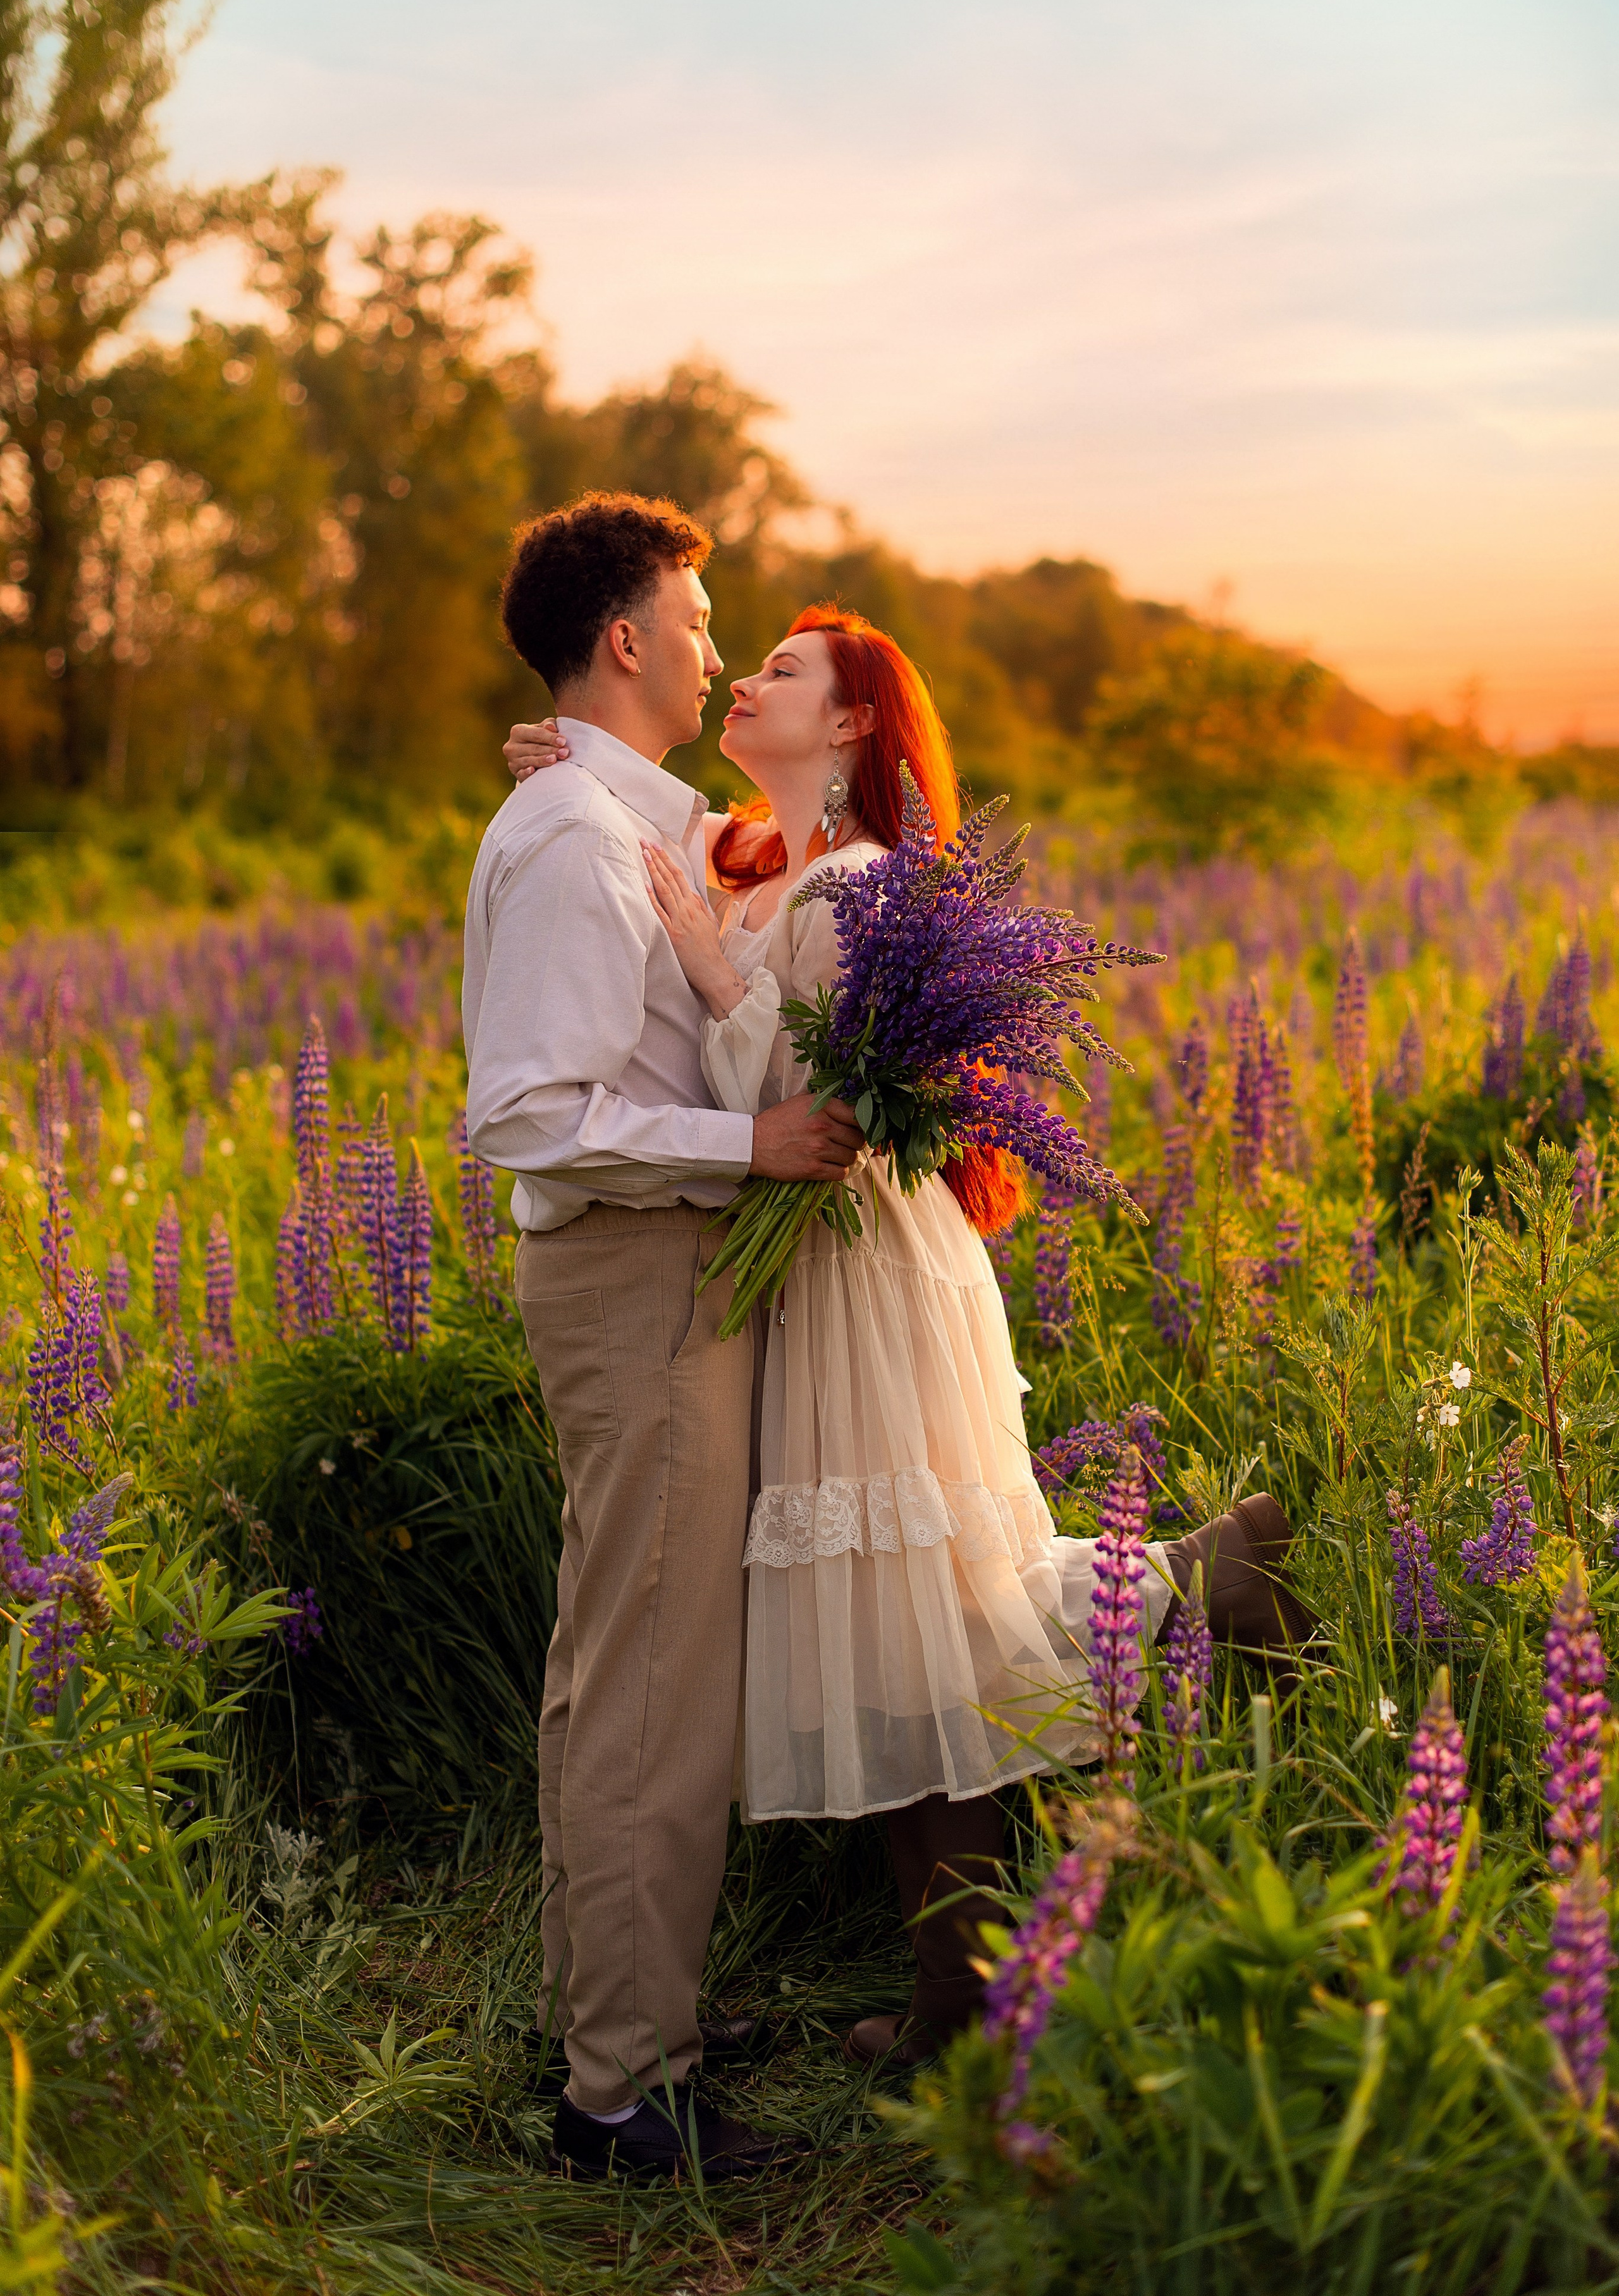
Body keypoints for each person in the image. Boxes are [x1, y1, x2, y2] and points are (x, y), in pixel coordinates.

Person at [503, 603, 1314, 2072]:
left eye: (783, 670)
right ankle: (968, 1974)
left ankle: (1175, 1609)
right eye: (742, 656)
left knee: (911, 1613)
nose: (744, 676)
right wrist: (569, 759)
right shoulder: (772, 858)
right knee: (895, 1619)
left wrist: (708, 968)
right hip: (818, 1267)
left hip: (861, 1270)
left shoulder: (857, 882)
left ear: (852, 722)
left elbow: (794, 1101)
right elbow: (676, 851)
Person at [464, 493, 866, 2181]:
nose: (715, 653)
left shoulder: (608, 809)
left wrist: (568, 755)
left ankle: (609, 2008)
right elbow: (527, 1113)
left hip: (644, 1276)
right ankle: (624, 2092)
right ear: (624, 638)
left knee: (610, 1663)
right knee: (655, 1684)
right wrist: (746, 1144)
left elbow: (736, 870)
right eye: (697, 625)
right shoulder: (575, 833)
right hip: (640, 1273)